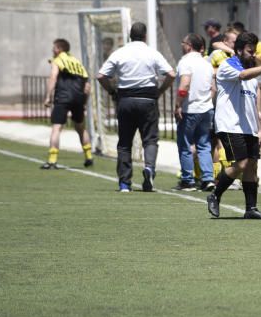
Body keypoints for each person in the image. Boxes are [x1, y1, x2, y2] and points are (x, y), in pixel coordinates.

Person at [206, 31, 261, 219]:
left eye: (254, 51)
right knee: (241, 163)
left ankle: (251, 209)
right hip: (230, 125)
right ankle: (214, 195)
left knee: (252, 166)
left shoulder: (253, 77)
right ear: (240, 50)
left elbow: (254, 105)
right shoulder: (228, 66)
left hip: (248, 127)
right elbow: (242, 75)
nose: (253, 55)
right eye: (250, 51)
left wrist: (259, 129)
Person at [96, 22, 175, 193]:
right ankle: (149, 169)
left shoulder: (120, 52)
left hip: (125, 99)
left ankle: (125, 183)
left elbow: (101, 75)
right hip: (147, 99)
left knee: (125, 142)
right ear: (145, 36)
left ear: (130, 36)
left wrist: (111, 91)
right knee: (150, 139)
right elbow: (171, 74)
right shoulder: (152, 53)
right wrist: (160, 90)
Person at [42, 39, 93, 170]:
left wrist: (48, 96)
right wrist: (84, 101)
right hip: (78, 99)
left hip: (63, 98)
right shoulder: (77, 62)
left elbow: (53, 77)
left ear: (59, 49)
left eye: (54, 48)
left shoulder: (57, 60)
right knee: (81, 128)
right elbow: (87, 86)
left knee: (56, 128)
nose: (52, 50)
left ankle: (52, 160)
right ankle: (88, 156)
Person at [174, 33, 215, 191]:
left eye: (183, 42)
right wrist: (206, 101)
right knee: (204, 145)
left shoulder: (186, 61)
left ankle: (187, 180)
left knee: (185, 144)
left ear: (189, 46)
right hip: (206, 109)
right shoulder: (207, 63)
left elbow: (184, 85)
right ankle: (207, 178)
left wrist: (178, 104)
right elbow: (214, 88)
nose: (182, 45)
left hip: (190, 109)